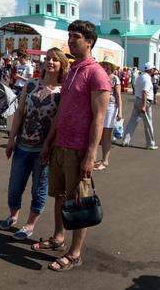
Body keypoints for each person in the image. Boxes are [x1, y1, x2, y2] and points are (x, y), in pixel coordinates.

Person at [39, 20, 110, 272]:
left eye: (76, 36)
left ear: (89, 41)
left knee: (79, 203)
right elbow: (61, 112)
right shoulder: (71, 72)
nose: (70, 40)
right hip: (61, 145)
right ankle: (58, 238)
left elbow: (99, 118)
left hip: (79, 149)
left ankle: (75, 253)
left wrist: (91, 154)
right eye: (69, 35)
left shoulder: (97, 74)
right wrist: (49, 142)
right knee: (59, 197)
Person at [0, 47, 68, 241]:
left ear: (62, 64)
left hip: (43, 149)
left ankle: (30, 224)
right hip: (22, 145)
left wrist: (48, 144)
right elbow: (20, 112)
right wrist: (11, 139)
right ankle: (13, 215)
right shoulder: (31, 85)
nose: (50, 62)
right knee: (15, 185)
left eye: (55, 59)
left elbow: (57, 122)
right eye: (48, 58)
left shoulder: (62, 92)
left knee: (39, 188)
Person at [121, 63, 158, 150]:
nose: (154, 70)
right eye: (153, 69)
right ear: (150, 70)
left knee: (132, 121)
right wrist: (144, 106)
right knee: (148, 123)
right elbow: (144, 92)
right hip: (144, 101)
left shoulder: (140, 77)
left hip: (137, 100)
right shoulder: (147, 79)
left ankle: (125, 140)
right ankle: (150, 143)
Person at [95, 56, 122, 170]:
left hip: (111, 107)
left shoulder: (115, 78)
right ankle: (97, 159)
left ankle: (105, 160)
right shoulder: (100, 76)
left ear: (111, 67)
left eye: (108, 65)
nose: (105, 67)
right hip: (100, 106)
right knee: (97, 133)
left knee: (106, 134)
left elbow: (118, 96)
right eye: (104, 65)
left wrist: (120, 112)